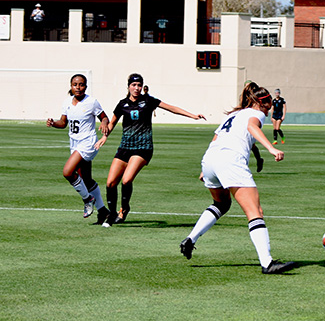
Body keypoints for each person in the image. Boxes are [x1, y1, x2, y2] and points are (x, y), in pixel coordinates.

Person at [180, 82, 295, 274]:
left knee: (221, 204)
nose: (269, 106)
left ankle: (190, 239)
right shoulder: (255, 114)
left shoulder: (234, 115)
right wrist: (272, 148)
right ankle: (267, 263)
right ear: (258, 102)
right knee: (255, 210)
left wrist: (206, 169)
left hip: (210, 159)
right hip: (230, 161)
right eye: (266, 102)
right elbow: (252, 128)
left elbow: (218, 139)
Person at [96, 73, 206, 227]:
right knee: (110, 183)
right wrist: (104, 136)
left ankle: (124, 209)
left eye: (139, 85)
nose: (136, 88)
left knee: (127, 180)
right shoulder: (122, 104)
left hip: (143, 148)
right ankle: (112, 214)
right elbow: (112, 123)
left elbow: (171, 108)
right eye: (134, 85)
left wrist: (193, 116)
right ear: (128, 86)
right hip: (125, 147)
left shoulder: (148, 100)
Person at [46, 74, 111, 224]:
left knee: (68, 172)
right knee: (86, 179)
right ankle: (103, 212)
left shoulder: (91, 102)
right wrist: (53, 123)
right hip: (74, 143)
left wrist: (104, 123)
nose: (78, 87)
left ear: (85, 87)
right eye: (75, 84)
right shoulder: (67, 102)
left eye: (81, 84)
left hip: (88, 143)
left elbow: (104, 116)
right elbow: (63, 123)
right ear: (71, 86)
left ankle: (88, 199)